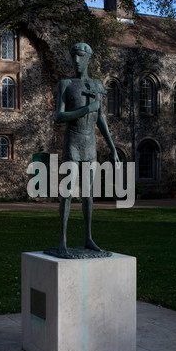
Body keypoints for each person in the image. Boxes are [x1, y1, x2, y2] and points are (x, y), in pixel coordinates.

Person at [56, 42, 120, 257]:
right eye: (73, 56)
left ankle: (88, 238)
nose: (76, 60)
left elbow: (100, 119)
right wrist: (86, 109)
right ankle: (63, 241)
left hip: (90, 144)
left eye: (80, 56)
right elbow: (59, 116)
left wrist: (113, 149)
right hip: (73, 142)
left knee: (88, 193)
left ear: (88, 58)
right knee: (67, 192)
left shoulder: (95, 85)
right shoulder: (65, 84)